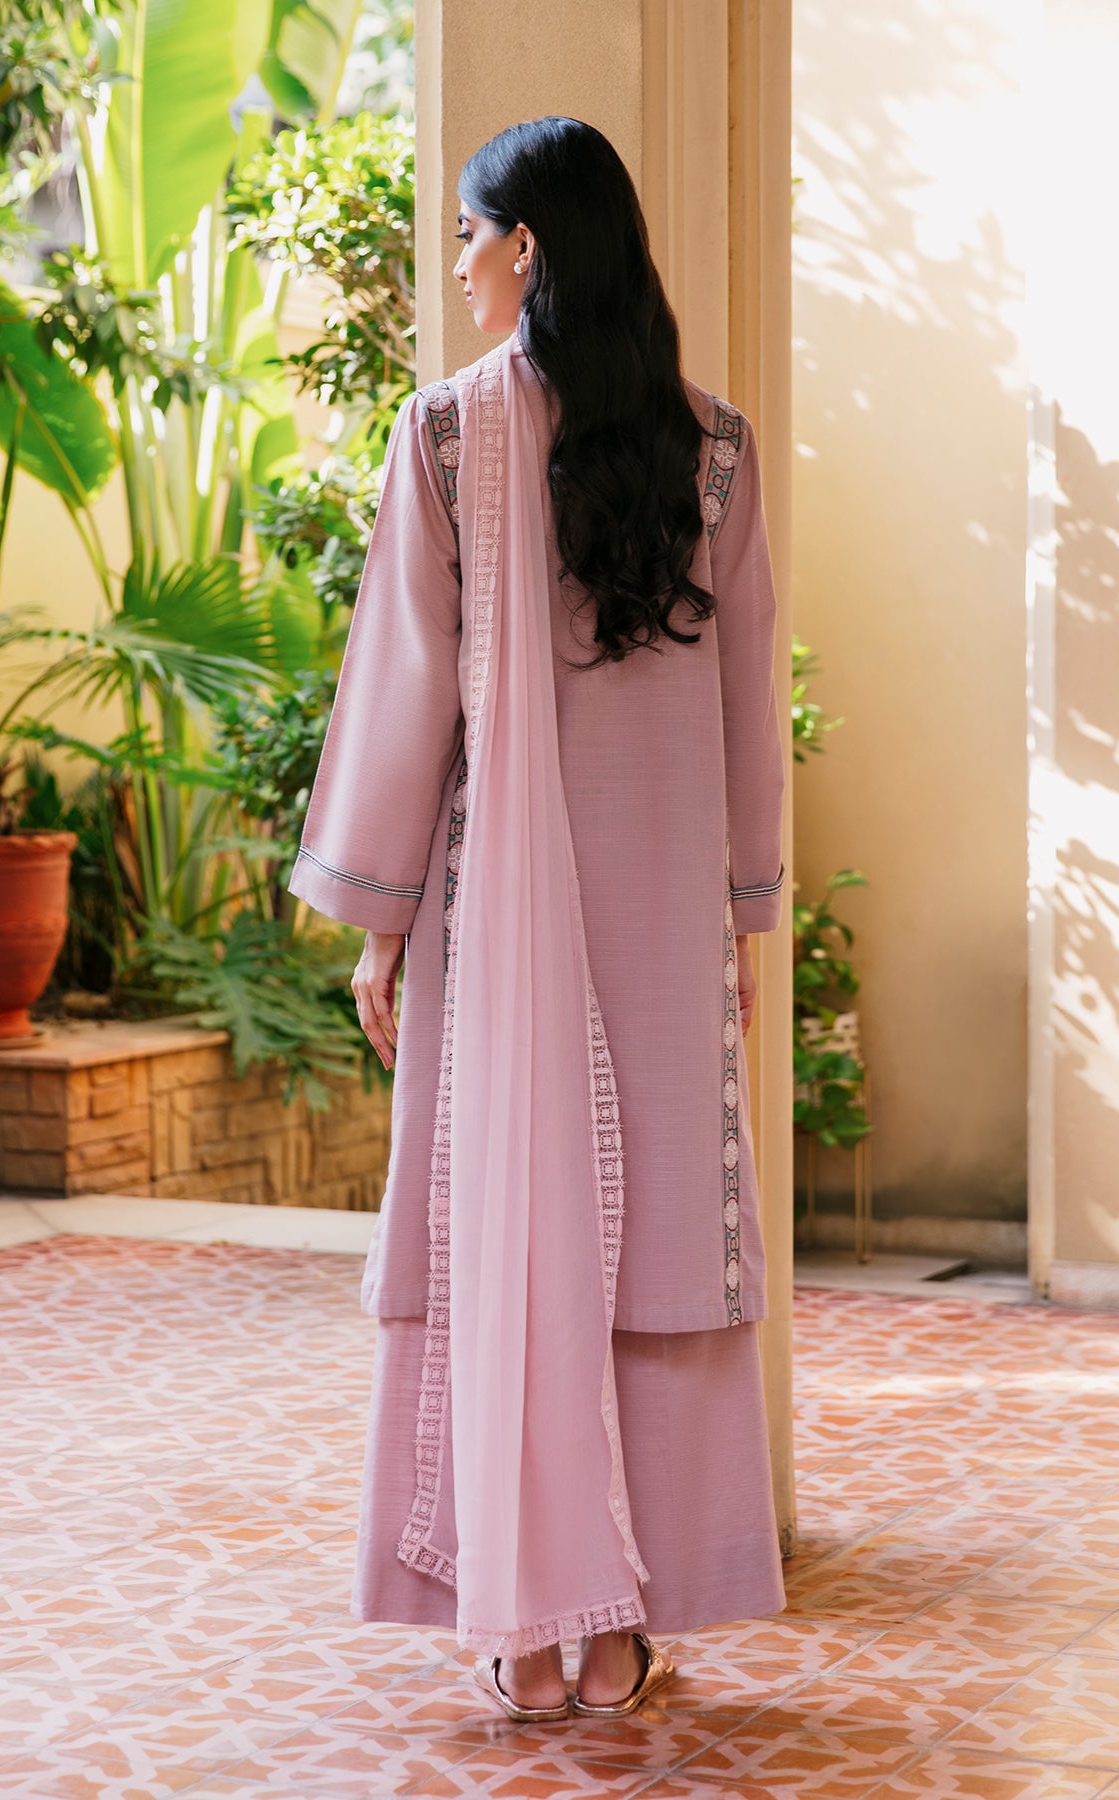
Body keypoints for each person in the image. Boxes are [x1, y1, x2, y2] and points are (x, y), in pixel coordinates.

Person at [287, 115, 787, 1722]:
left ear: (528, 248)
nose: (455, 265)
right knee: (656, 1241)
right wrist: (743, 919)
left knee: (504, 1220)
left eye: (466, 233)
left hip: (493, 917)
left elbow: (407, 691)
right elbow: (748, 699)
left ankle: (516, 1617)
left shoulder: (445, 437)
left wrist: (379, 924)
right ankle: (620, 1629)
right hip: (664, 912)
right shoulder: (715, 449)